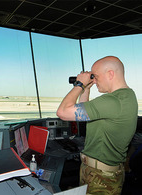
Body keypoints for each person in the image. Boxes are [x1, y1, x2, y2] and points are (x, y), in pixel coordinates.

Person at [56, 56, 138, 194]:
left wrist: (79, 84)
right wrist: (86, 90)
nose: (93, 80)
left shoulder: (112, 101)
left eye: (96, 76)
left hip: (101, 177)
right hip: (100, 173)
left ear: (110, 74)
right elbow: (82, 115)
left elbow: (63, 112)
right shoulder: (126, 96)